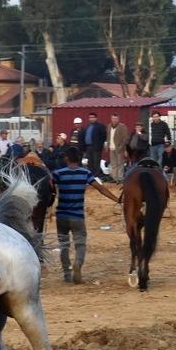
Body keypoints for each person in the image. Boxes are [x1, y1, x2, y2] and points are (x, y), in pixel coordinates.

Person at [52, 147, 119, 284]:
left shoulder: (58, 174)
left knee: (64, 245)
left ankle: (67, 274)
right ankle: (78, 263)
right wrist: (117, 199)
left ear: (66, 158)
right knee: (80, 244)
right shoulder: (85, 173)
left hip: (62, 215)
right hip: (77, 215)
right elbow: (100, 188)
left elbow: (48, 187)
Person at [83, 112, 107, 178]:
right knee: (90, 163)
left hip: (96, 147)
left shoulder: (100, 126)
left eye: (93, 117)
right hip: (88, 147)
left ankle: (97, 176)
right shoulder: (88, 126)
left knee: (96, 162)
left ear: (96, 118)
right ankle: (91, 176)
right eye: (90, 117)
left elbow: (104, 136)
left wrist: (100, 146)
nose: (91, 119)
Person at [106, 113, 128, 182]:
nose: (114, 120)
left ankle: (120, 178)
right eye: (113, 118)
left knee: (120, 164)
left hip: (119, 148)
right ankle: (114, 178)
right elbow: (108, 137)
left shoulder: (122, 126)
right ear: (111, 119)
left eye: (116, 118)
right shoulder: (109, 126)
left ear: (118, 119)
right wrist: (107, 145)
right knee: (113, 164)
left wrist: (122, 147)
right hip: (111, 147)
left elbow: (125, 138)